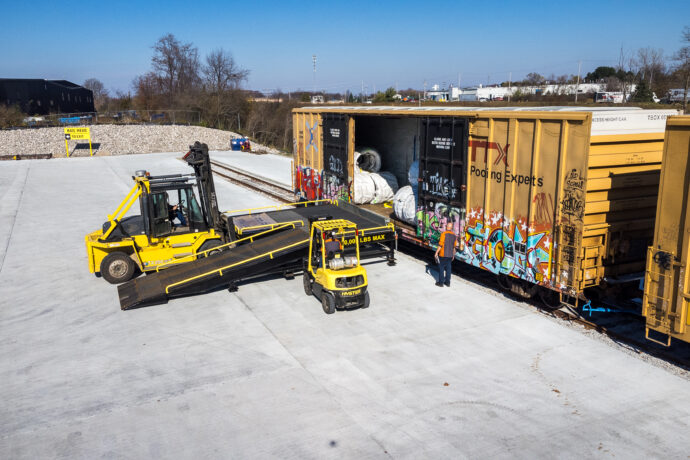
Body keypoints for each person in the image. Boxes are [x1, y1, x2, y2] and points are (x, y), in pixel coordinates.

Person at [434, 222, 459, 287]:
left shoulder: (443, 234)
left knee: (441, 268)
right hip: (450, 255)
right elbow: (454, 247)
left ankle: (441, 283)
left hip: (443, 254)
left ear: (447, 227)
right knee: (448, 269)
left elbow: (440, 245)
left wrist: (436, 253)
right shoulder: (454, 235)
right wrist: (453, 255)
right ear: (451, 228)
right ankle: (448, 283)